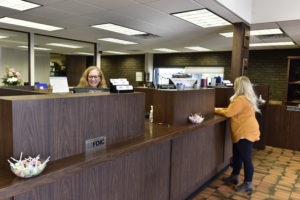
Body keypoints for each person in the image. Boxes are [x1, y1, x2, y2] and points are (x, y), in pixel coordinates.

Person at [215, 76, 260, 193]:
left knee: (246, 159)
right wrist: (221, 109)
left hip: (244, 132)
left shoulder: (240, 99)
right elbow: (233, 110)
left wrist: (215, 109)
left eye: (235, 84)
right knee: (237, 155)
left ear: (239, 86)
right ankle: (234, 176)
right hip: (246, 130)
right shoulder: (248, 98)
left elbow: (229, 112)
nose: (233, 87)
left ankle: (248, 184)